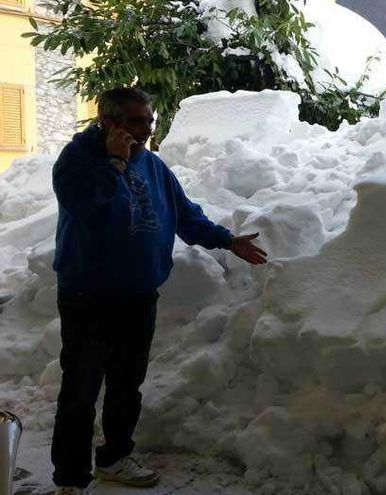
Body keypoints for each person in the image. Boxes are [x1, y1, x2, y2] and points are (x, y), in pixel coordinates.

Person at [50, 87, 268, 495]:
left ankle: (114, 458)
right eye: (136, 121)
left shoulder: (153, 165)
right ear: (109, 123)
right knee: (80, 390)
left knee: (125, 384)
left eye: (149, 121)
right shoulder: (78, 160)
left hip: (138, 294)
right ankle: (70, 478)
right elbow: (86, 204)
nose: (147, 130)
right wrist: (115, 161)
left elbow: (184, 214)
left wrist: (226, 239)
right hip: (88, 296)